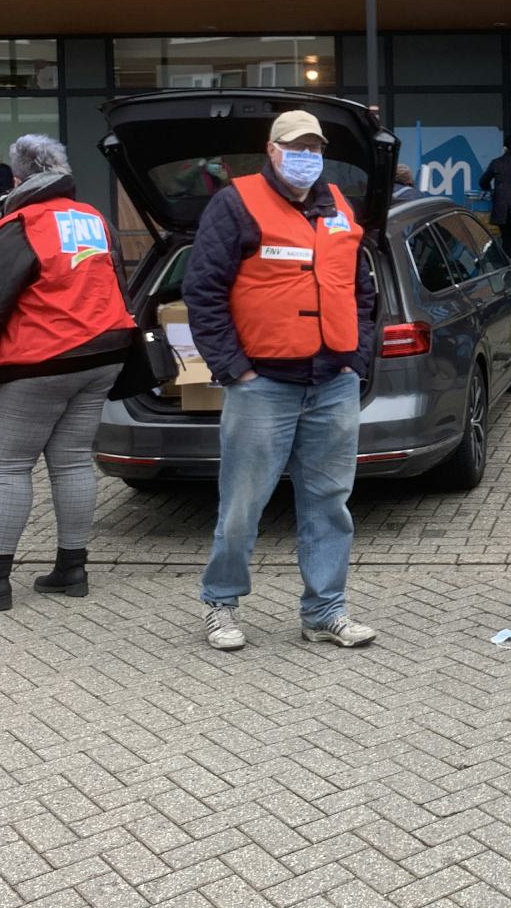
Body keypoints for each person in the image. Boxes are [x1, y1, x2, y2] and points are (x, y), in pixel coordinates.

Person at [185, 110, 379, 652]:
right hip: (262, 383)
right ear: (271, 150)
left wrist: (356, 355)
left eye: (315, 147)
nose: (307, 156)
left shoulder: (340, 206)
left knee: (329, 503)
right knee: (243, 503)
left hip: (332, 381)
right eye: (297, 146)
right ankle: (220, 603)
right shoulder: (235, 203)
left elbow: (361, 289)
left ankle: (324, 611)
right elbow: (203, 292)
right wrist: (234, 369)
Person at [0, 135, 136, 612]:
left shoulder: (20, 223)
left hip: (40, 359)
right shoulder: (94, 219)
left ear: (17, 179)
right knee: (71, 461)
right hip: (103, 354)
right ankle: (72, 569)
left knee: (8, 467)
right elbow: (119, 282)